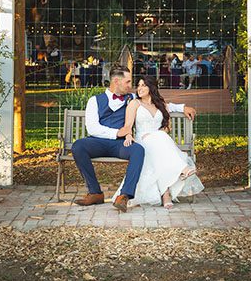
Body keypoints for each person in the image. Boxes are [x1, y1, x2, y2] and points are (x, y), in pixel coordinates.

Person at [72, 64, 195, 212]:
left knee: (138, 150)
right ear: (116, 81)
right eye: (128, 82)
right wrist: (118, 132)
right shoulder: (94, 100)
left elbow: (156, 103)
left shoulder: (132, 98)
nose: (131, 86)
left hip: (121, 144)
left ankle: (124, 196)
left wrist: (182, 108)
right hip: (98, 142)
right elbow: (92, 128)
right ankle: (95, 192)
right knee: (78, 146)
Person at [112, 76, 204, 209]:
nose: (139, 88)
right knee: (159, 141)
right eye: (138, 85)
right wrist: (128, 135)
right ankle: (181, 171)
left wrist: (183, 108)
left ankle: (166, 193)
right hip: (142, 140)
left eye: (143, 85)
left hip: (158, 140)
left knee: (159, 144)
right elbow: (128, 125)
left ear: (151, 87)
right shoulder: (134, 103)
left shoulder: (160, 104)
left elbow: (167, 127)